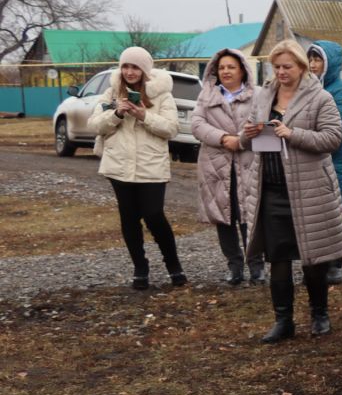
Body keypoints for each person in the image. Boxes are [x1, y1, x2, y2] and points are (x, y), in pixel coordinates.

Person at [247, 39, 342, 341]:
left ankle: (319, 313)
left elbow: (332, 138)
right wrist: (249, 133)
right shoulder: (264, 96)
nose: (281, 72)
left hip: (310, 189)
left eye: (287, 66)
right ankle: (283, 320)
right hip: (272, 188)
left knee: (313, 258)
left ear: (301, 67)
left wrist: (293, 134)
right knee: (277, 257)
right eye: (276, 67)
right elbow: (250, 137)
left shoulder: (320, 98)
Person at [89, 45, 185, 290]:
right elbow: (95, 125)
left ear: (144, 70)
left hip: (151, 166)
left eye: (135, 67)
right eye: (125, 66)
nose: (130, 72)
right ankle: (140, 268)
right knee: (129, 219)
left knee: (154, 215)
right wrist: (116, 114)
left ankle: (173, 265)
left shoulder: (161, 95)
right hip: (119, 166)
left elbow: (171, 128)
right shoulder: (112, 93)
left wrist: (144, 115)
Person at [193, 47, 264, 286]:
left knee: (250, 215)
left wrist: (241, 139)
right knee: (224, 215)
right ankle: (234, 266)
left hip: (249, 161)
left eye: (231, 67)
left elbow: (263, 125)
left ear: (243, 70)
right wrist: (224, 138)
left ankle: (257, 266)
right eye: (221, 67)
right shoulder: (207, 95)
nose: (226, 71)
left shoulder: (258, 95)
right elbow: (197, 125)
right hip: (216, 166)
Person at [305, 40, 342, 285]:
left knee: (335, 211)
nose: (313, 65)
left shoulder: (340, 89)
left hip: (334, 160)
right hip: (308, 160)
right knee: (312, 212)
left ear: (329, 63)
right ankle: (316, 262)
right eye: (310, 59)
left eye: (318, 60)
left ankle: (336, 264)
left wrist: (310, 136)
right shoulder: (304, 88)